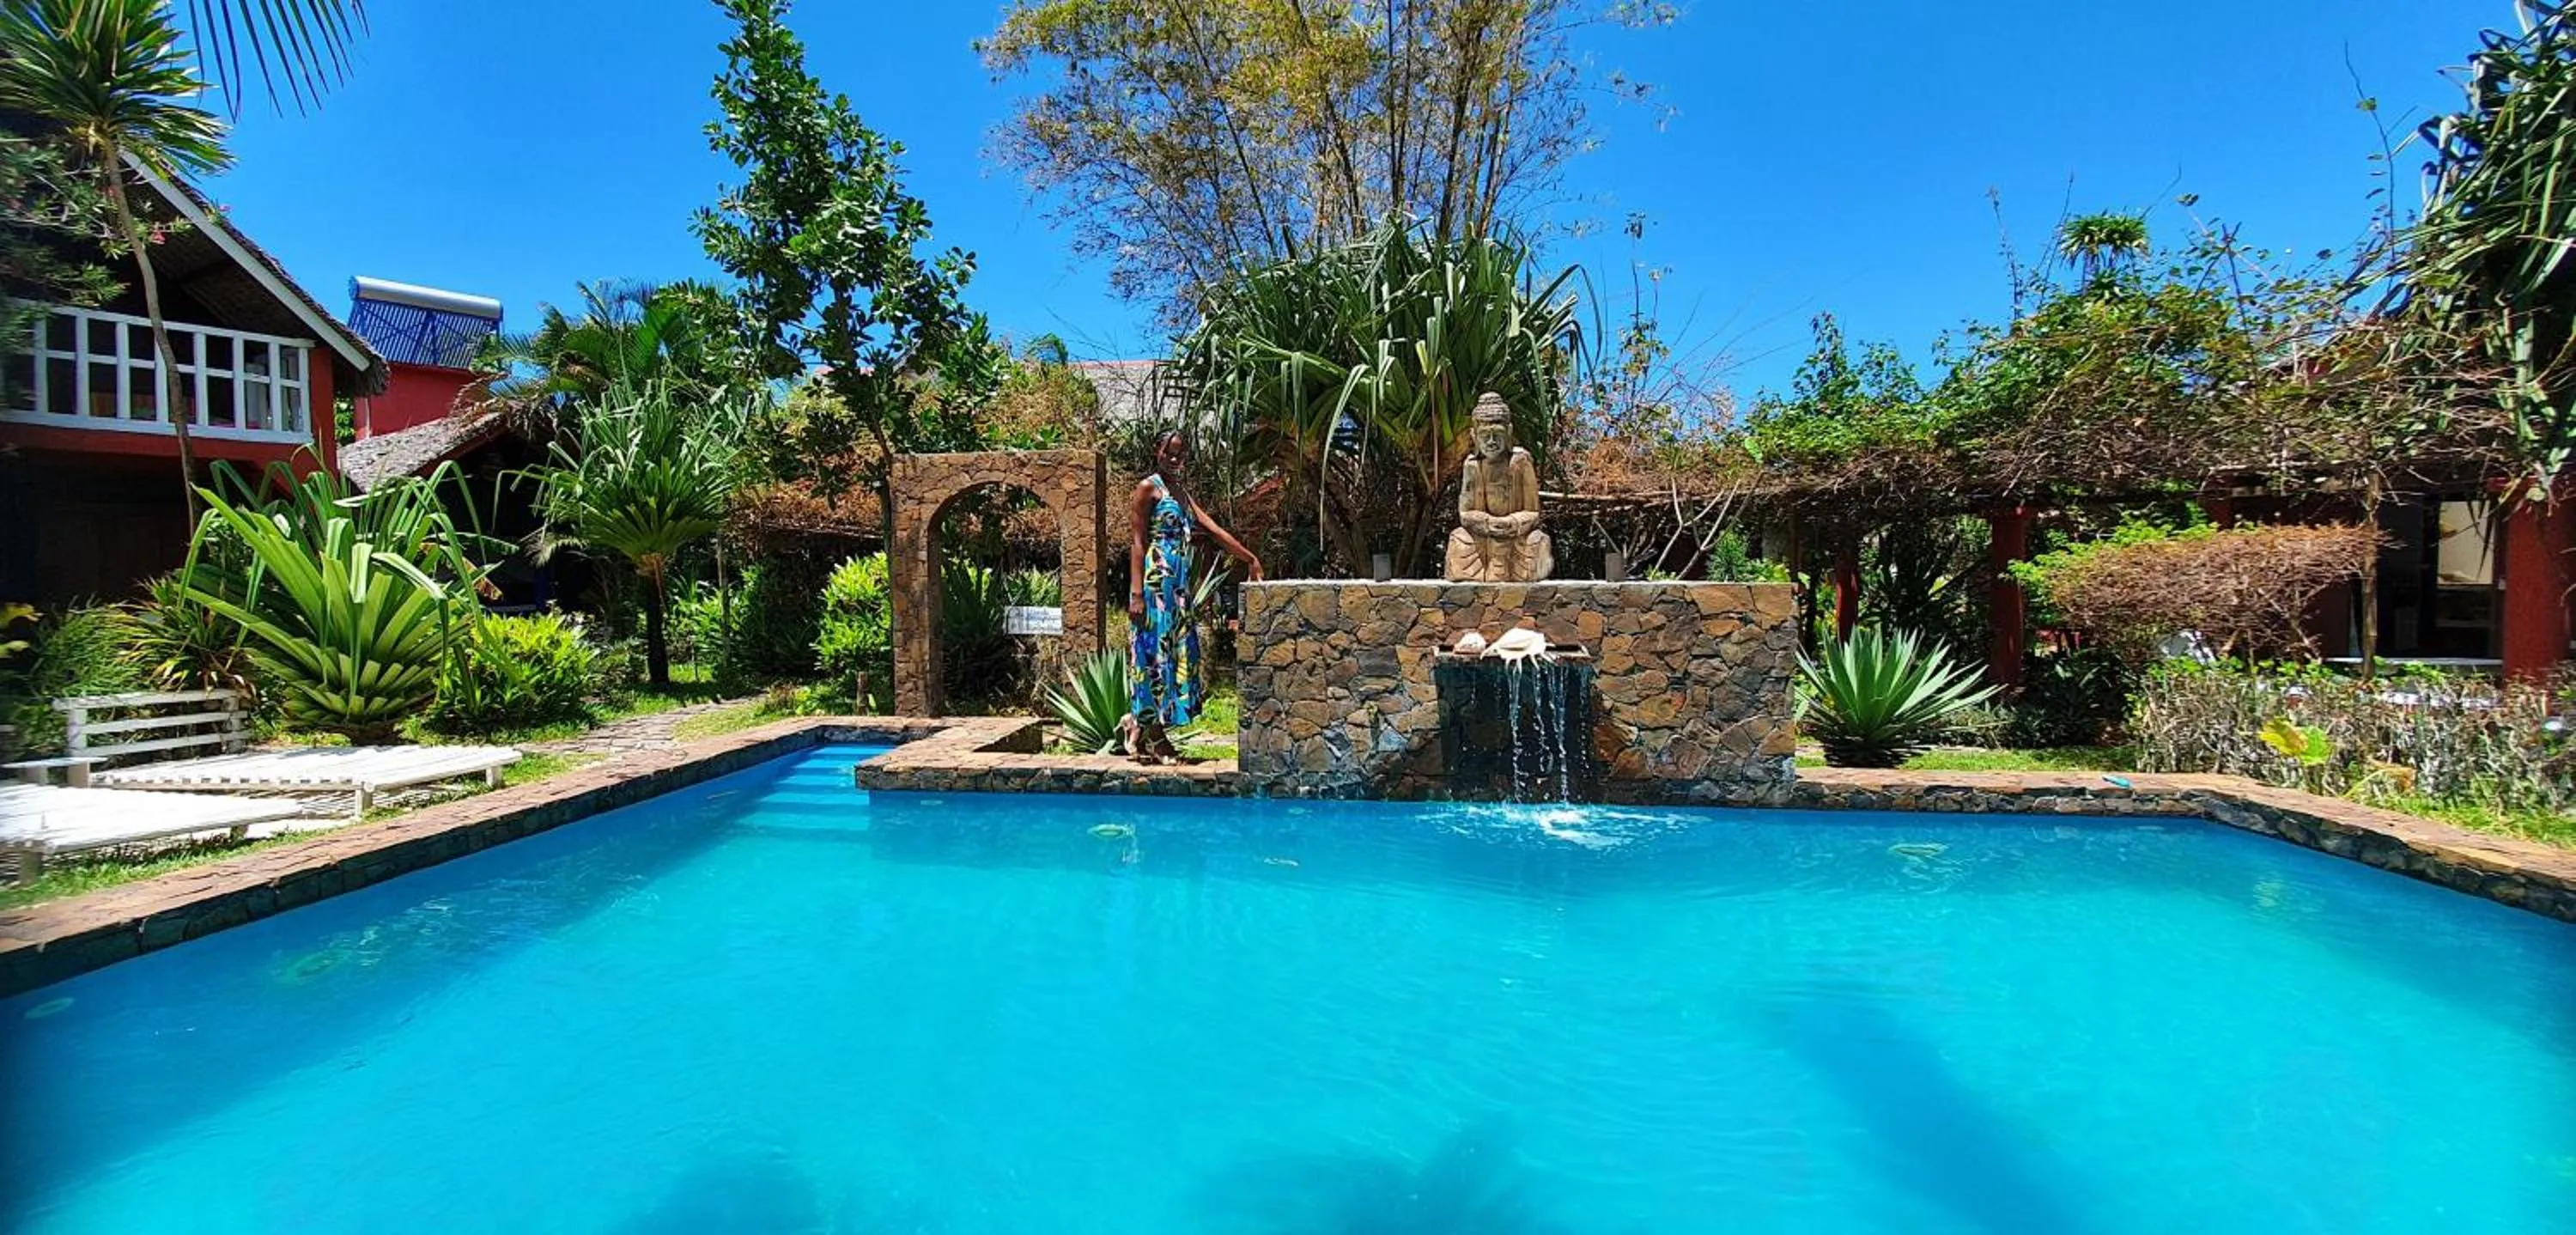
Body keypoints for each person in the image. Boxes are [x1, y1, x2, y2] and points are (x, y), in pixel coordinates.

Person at [1127, 431, 1262, 763]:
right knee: (1154, 658)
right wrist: (1136, 594)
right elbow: (1137, 542)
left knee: (1174, 655)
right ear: (1156, 451)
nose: (1175, 460)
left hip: (1180, 591)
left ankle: (1136, 724)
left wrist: (1249, 558)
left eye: (1180, 455)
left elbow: (1214, 531)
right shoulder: (1149, 488)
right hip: (1156, 586)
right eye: (1169, 453)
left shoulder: (1181, 494)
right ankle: (1156, 738)